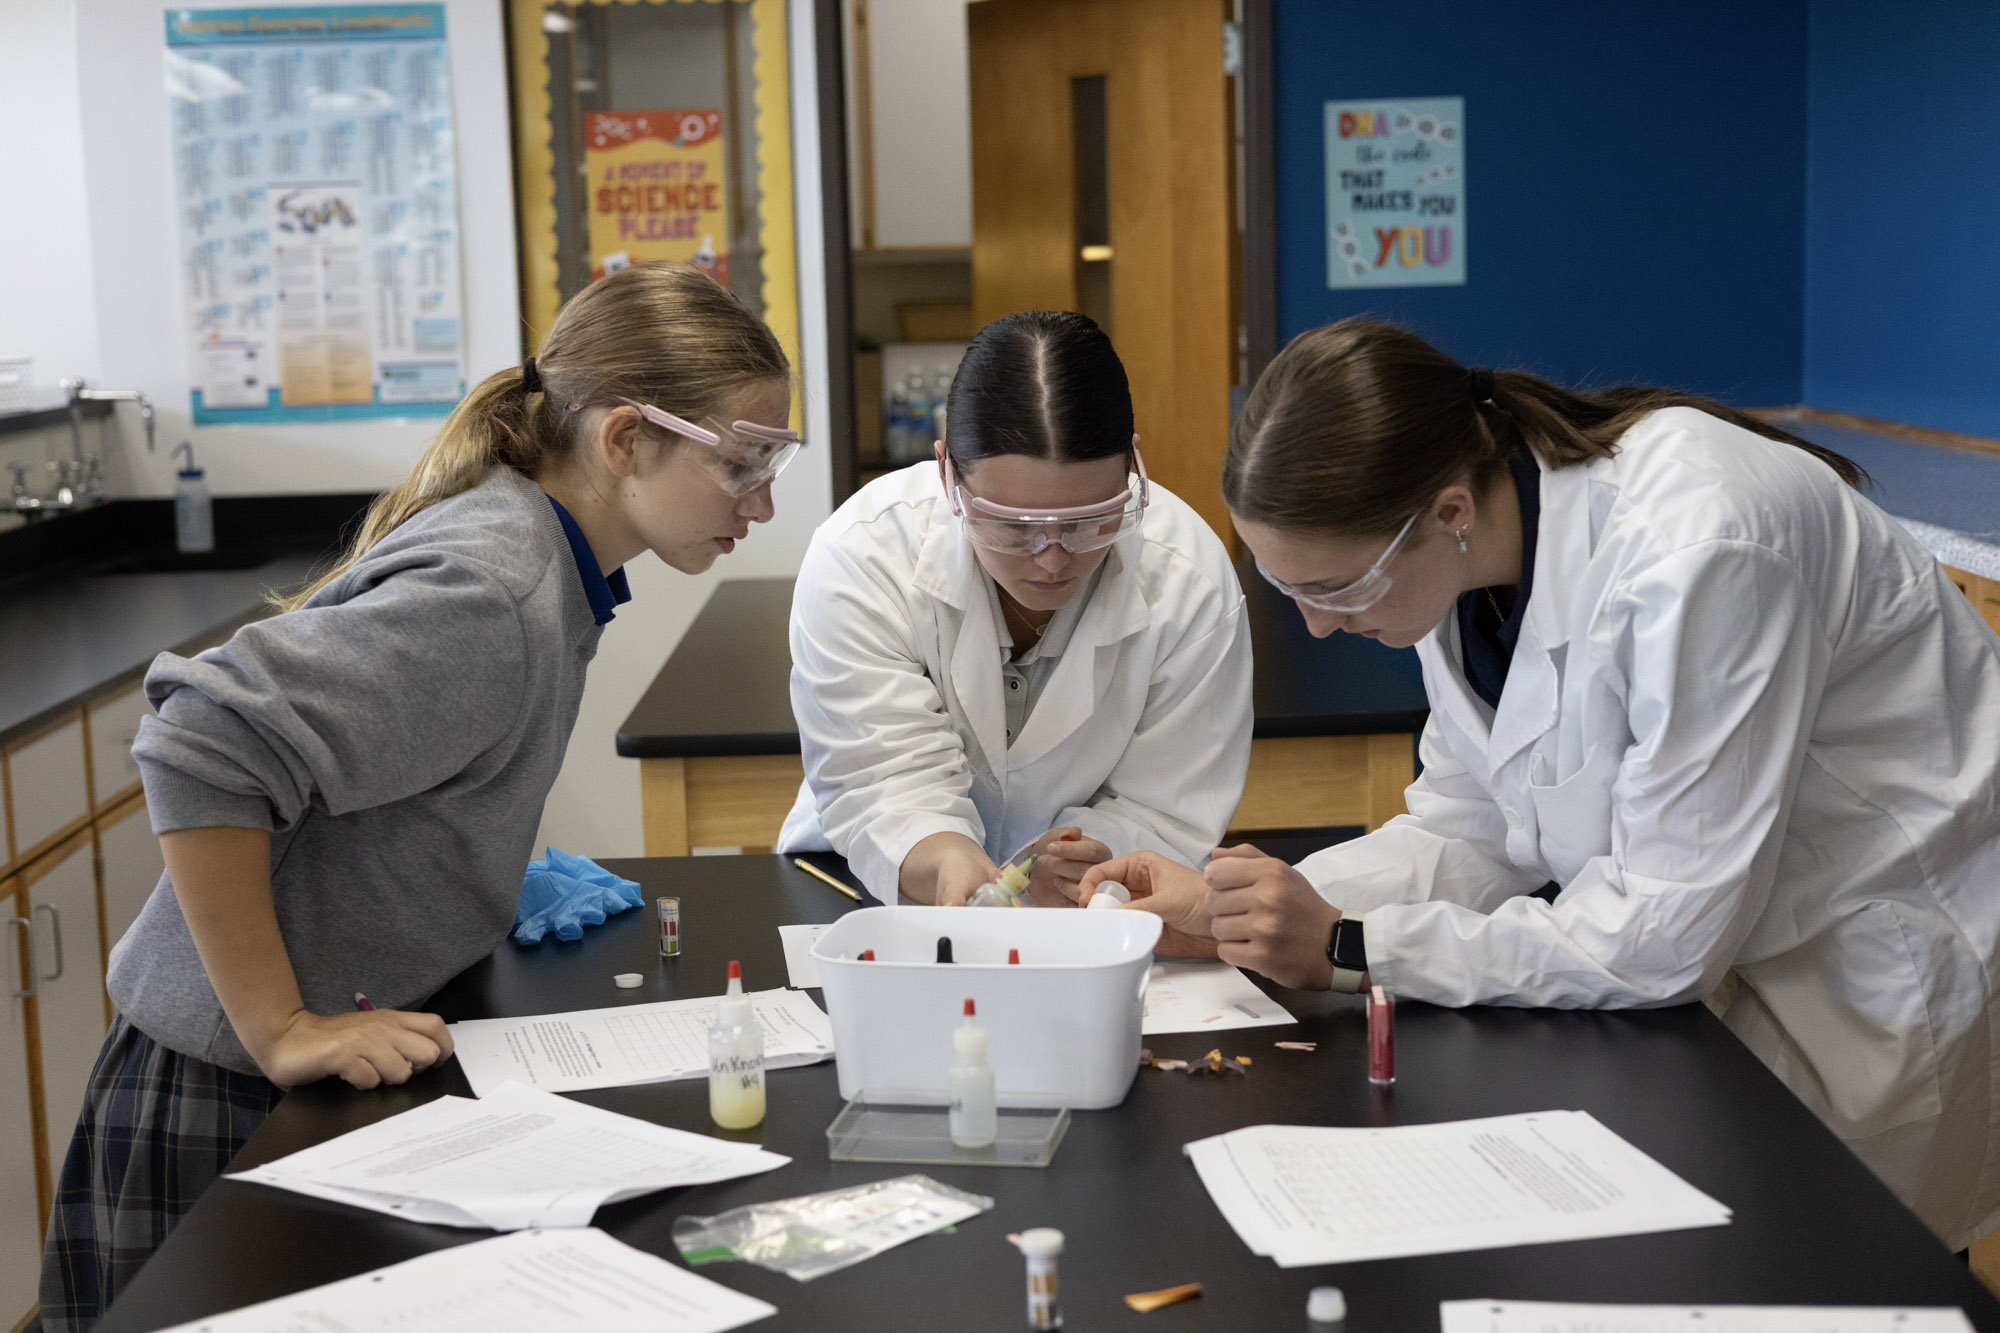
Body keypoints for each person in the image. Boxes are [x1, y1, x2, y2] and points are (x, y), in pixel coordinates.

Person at [1083, 317, 2000, 1249]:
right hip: (1736, 958)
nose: (1319, 628)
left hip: (1875, 957)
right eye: (1295, 594)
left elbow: (1663, 938)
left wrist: (1351, 945)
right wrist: (1241, 915)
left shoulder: (1700, 546)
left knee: (1857, 1278)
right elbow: (1467, 825)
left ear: (1444, 511)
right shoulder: (1468, 563)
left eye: (1338, 589)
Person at [39, 262, 799, 1329]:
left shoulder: (541, 554)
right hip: (219, 1094)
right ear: (626, 440)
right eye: (744, 465)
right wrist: (282, 1026)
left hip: (292, 1074)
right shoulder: (497, 589)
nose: (761, 504)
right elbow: (200, 741)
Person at [779, 310, 1252, 905]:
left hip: (1093, 912)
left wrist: (1096, 859)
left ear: (1133, 468)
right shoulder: (864, 557)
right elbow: (883, 781)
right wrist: (947, 857)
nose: (1051, 560)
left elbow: (1169, 803)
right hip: (868, 883)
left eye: (1088, 521)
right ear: (948, 472)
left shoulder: (1189, 583)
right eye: (1010, 525)